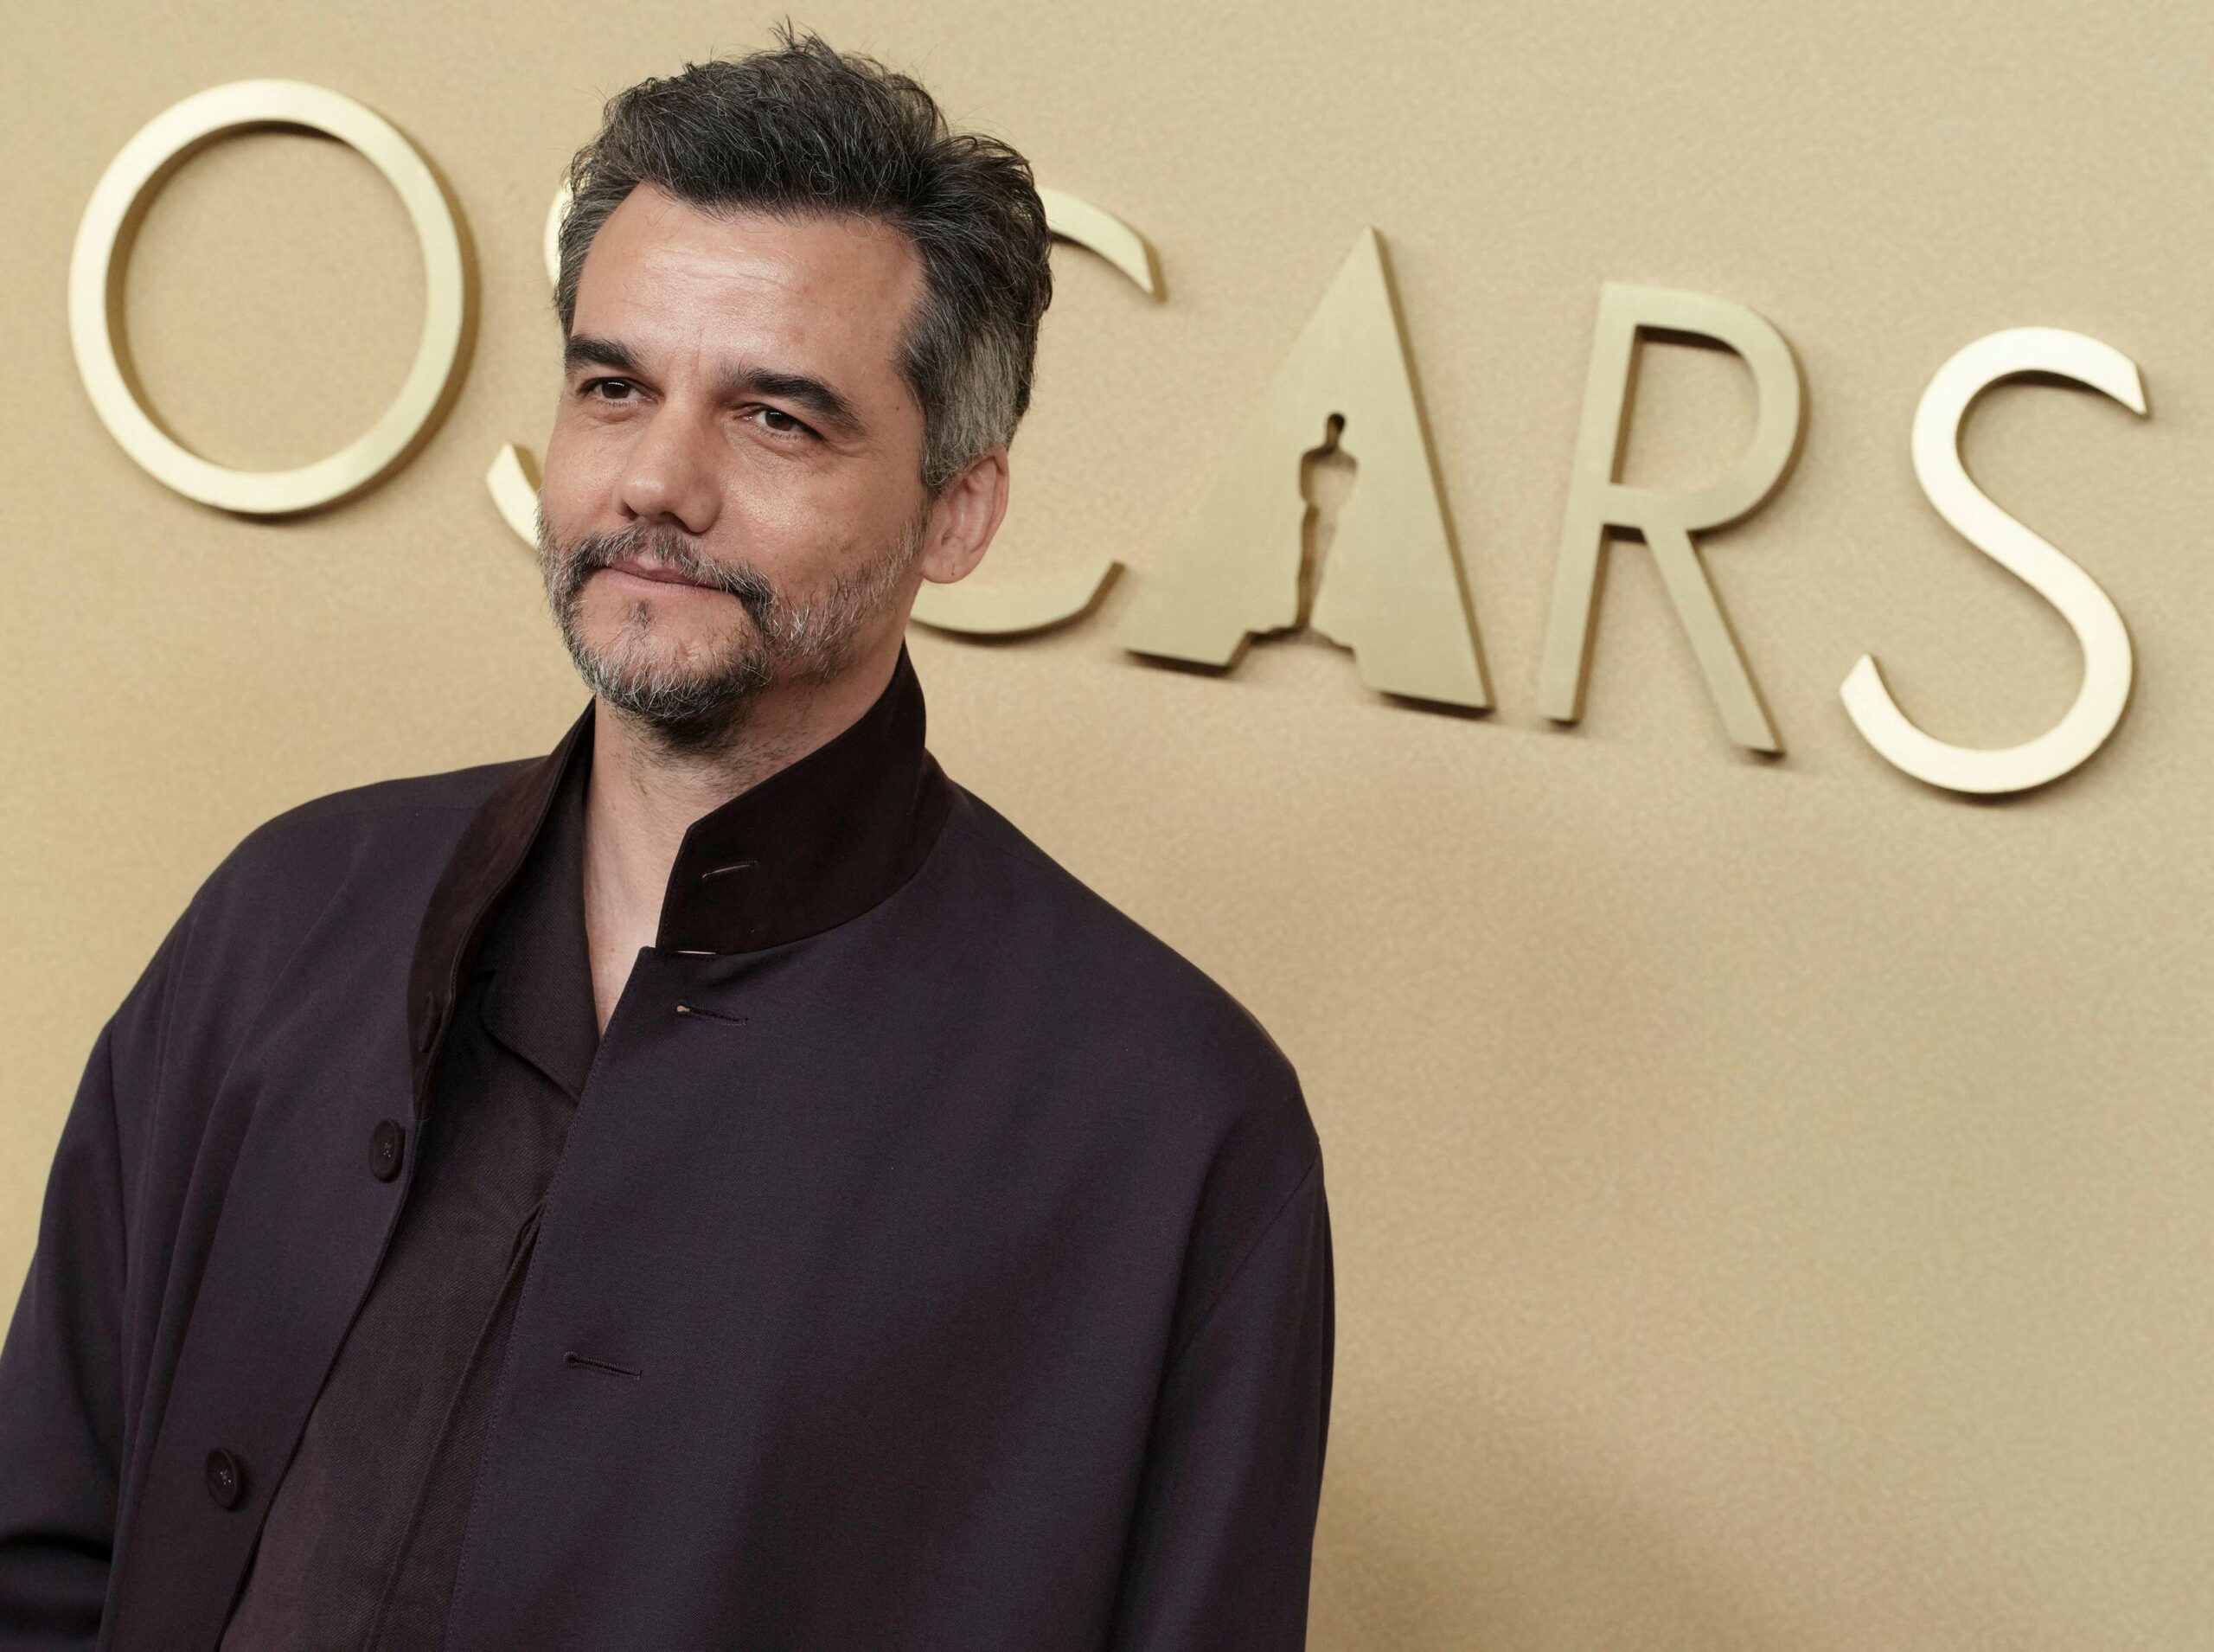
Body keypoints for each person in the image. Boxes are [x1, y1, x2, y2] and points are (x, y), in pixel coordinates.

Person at [0, 27, 1333, 1652]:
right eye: (614, 386)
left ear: (960, 511)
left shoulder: (1173, 1129)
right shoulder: (289, 910)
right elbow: (45, 1548)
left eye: (778, 419)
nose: (657, 482)